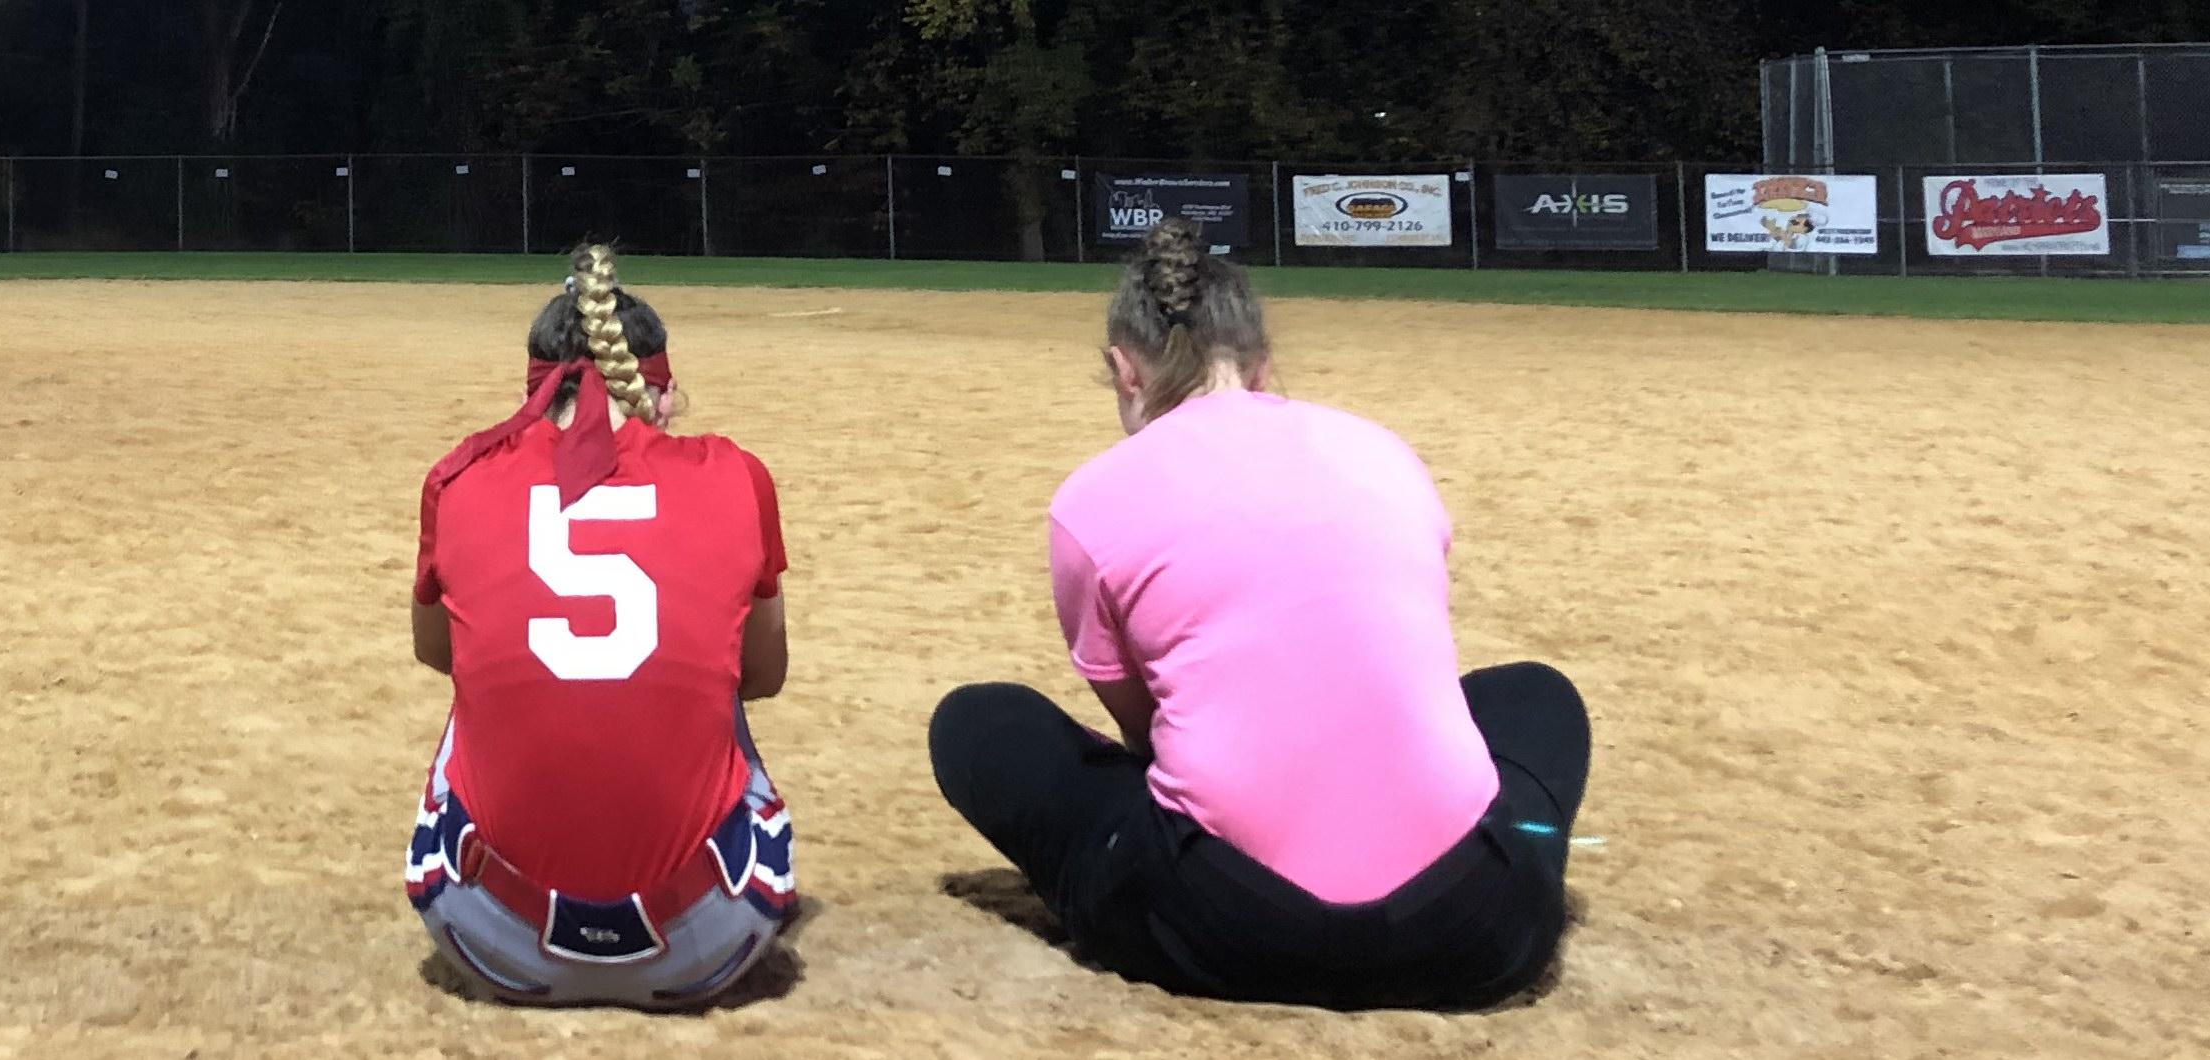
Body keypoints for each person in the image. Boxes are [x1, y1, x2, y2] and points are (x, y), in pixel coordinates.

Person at [926, 219, 1593, 1010]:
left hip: (1229, 932)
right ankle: (1525, 859)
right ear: (1264, 367)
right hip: (1475, 931)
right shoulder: (1382, 452)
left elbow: (1145, 737)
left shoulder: (1092, 499)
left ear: (1122, 370)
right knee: (1535, 695)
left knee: (979, 723)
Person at [402, 245, 797, 1009]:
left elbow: (434, 653)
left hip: (489, 943)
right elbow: (764, 675)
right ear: (662, 391)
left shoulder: (458, 476)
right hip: (712, 946)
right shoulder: (736, 475)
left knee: (476, 686)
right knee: (719, 689)